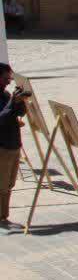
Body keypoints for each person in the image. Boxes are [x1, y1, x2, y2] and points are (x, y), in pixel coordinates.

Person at [0, 63, 29, 226]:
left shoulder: (5, 94)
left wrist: (20, 102)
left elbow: (20, 113)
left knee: (9, 183)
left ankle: (4, 215)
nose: (8, 82)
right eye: (5, 78)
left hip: (13, 144)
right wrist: (12, 102)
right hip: (2, 147)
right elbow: (1, 119)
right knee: (1, 185)